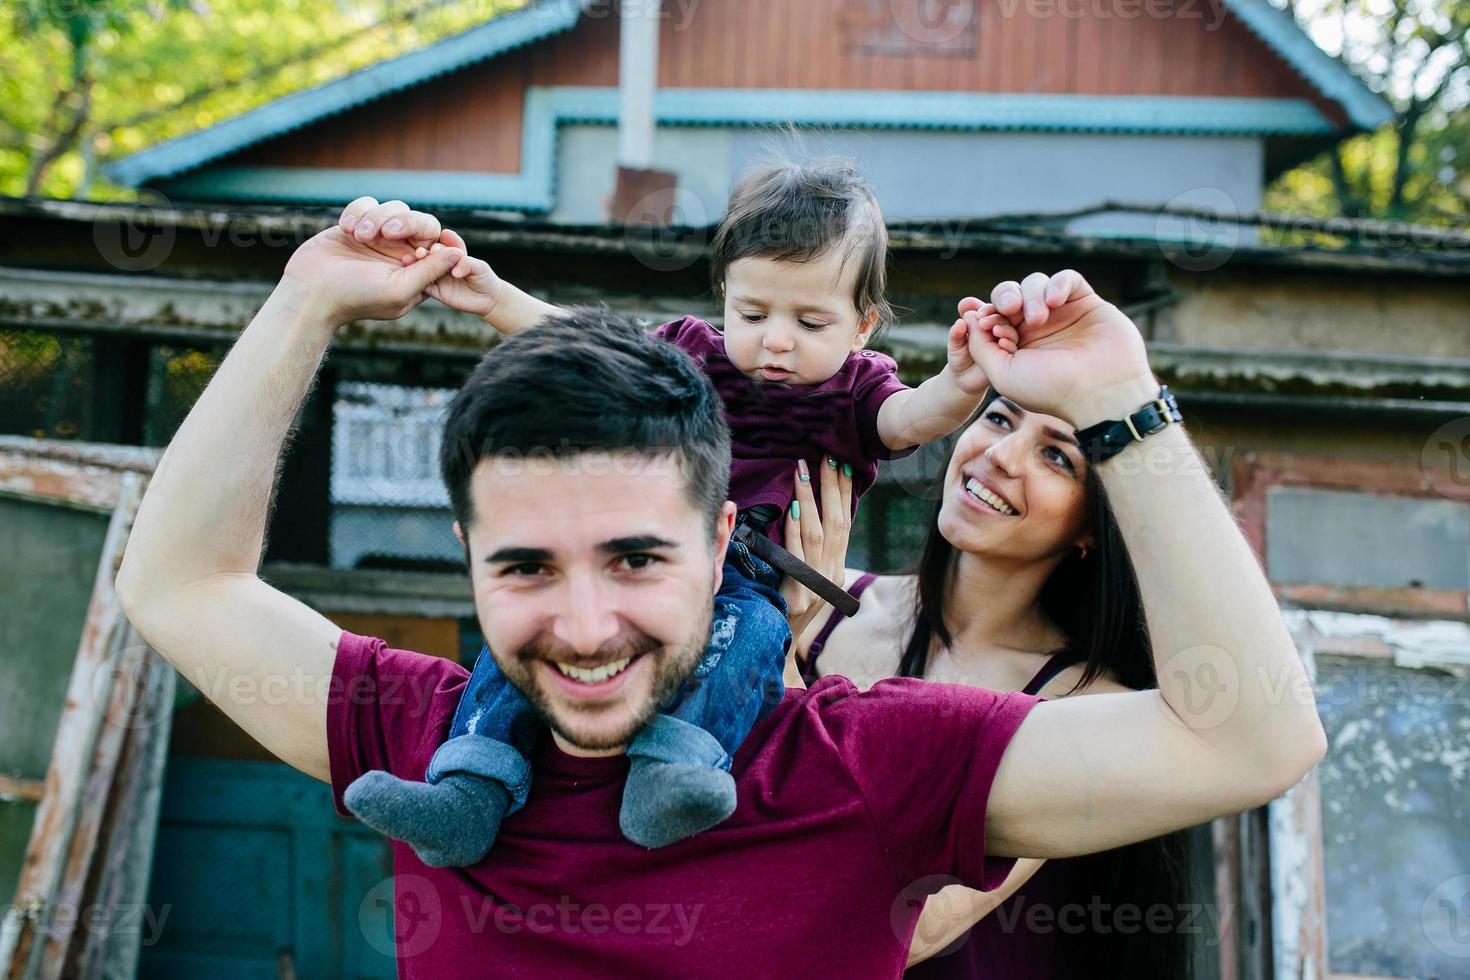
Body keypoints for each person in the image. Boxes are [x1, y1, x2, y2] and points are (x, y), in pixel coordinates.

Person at [116, 198, 1327, 977]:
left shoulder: (864, 763)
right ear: (467, 562)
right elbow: (175, 580)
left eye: (638, 557)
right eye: (527, 566)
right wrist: (307, 298)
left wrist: (1122, 403)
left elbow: (1253, 737)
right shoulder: (426, 742)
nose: (585, 627)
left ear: (719, 539)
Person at [342, 161, 1020, 864]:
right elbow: (585, 339)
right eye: (754, 314)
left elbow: (911, 420)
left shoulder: (855, 392)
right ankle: (466, 785)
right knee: (540, 632)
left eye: (810, 321)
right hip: (641, 565)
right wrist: (493, 297)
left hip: (751, 581)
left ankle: (672, 773)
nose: (777, 340)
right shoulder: (694, 354)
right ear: (726, 296)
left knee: (754, 636)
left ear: (861, 327)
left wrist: (961, 379)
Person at [797, 384, 1194, 977]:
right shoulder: (813, 606)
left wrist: (776, 656)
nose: (1003, 455)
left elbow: (914, 927)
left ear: (1093, 528)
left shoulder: (1078, 701)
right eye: (1000, 419)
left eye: (1055, 456)